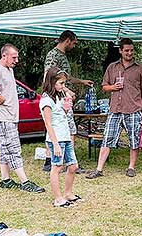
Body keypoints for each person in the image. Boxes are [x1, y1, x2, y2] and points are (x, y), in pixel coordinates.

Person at [0, 44, 45, 193]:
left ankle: (6, 180)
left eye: (17, 57)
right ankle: (25, 181)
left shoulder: (8, 69)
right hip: (2, 117)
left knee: (5, 148)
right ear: (4, 56)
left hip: (9, 116)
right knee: (13, 148)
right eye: (13, 57)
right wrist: (1, 99)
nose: (16, 60)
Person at [86, 38, 142, 179]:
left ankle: (131, 167)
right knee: (107, 138)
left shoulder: (140, 68)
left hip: (134, 109)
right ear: (120, 51)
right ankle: (99, 169)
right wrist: (113, 87)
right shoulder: (112, 67)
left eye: (131, 50)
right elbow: (104, 86)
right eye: (126, 50)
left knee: (134, 140)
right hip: (115, 109)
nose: (129, 53)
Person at [42, 30, 94, 172]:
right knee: (67, 128)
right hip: (57, 98)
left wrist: (82, 82)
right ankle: (66, 161)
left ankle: (56, 160)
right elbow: (49, 78)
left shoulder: (62, 56)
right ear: (68, 40)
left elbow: (66, 78)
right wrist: (67, 91)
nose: (74, 46)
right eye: (74, 42)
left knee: (67, 127)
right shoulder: (53, 55)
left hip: (63, 97)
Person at [40, 67, 82, 207]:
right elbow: (48, 123)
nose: (64, 86)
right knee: (57, 167)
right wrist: (55, 144)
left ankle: (68, 193)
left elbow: (62, 113)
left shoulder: (58, 96)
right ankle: (58, 198)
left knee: (73, 166)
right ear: (52, 82)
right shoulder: (46, 100)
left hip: (65, 137)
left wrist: (66, 103)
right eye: (61, 83)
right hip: (56, 139)